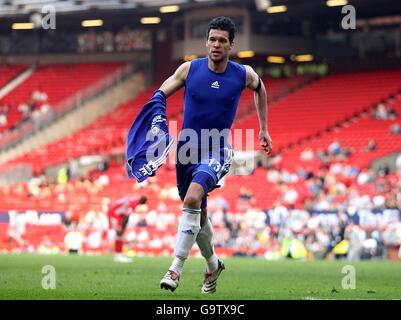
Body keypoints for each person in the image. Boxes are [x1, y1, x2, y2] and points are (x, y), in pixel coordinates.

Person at [157, 16, 272, 293]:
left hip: (217, 148)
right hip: (186, 150)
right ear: (206, 42)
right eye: (212, 39)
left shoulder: (242, 74)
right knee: (197, 211)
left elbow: (260, 88)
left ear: (231, 44)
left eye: (222, 40)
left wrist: (263, 128)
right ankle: (212, 263)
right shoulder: (189, 69)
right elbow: (160, 94)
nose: (216, 44)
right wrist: (150, 118)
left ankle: (176, 268)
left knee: (193, 197)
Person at [107, 195, 148, 262]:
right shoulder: (134, 203)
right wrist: (123, 227)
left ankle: (119, 254)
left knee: (119, 234)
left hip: (116, 213)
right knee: (119, 234)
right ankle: (118, 255)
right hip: (115, 214)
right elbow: (126, 216)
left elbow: (120, 204)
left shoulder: (131, 198)